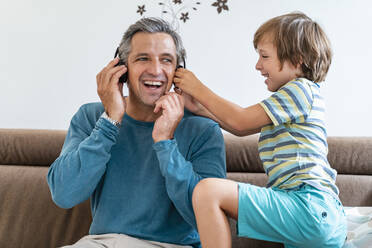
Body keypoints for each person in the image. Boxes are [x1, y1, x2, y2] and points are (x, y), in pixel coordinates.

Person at [47, 17, 226, 248]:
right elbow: (64, 193)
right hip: (101, 243)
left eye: (166, 60)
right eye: (143, 59)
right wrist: (110, 122)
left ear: (178, 72)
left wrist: (165, 143)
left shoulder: (203, 130)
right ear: (122, 69)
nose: (156, 70)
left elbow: (207, 219)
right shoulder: (91, 117)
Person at [173, 12, 347, 247]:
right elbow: (242, 129)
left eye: (264, 56)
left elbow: (240, 120)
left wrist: (197, 87)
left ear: (296, 60)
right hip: (315, 213)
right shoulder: (298, 98)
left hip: (309, 205)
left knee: (207, 192)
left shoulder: (301, 89)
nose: (258, 65)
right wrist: (200, 108)